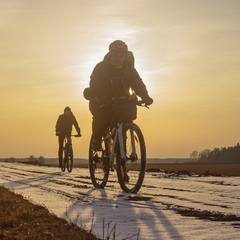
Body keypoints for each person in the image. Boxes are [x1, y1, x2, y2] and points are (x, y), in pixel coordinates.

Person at [84, 40, 153, 151]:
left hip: (122, 101)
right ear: (111, 55)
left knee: (125, 121)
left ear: (125, 56)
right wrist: (102, 100)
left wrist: (145, 97)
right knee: (101, 118)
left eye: (121, 56)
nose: (118, 58)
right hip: (102, 100)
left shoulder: (129, 68)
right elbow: (95, 85)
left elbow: (137, 83)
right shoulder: (101, 68)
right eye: (116, 55)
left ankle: (121, 157)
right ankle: (96, 140)